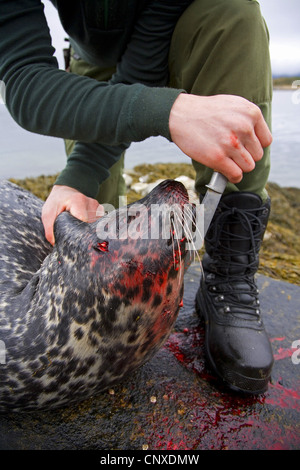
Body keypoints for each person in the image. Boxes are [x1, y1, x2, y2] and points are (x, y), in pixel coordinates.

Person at [0, 0, 274, 394]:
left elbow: (145, 58)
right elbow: (23, 79)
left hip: (177, 31)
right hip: (91, 54)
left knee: (232, 11)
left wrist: (169, 109)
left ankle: (229, 279)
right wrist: (82, 174)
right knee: (99, 237)